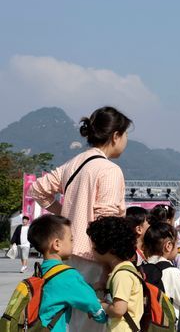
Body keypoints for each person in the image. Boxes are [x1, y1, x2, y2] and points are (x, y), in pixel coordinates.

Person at [30, 106, 131, 332]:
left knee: (72, 323)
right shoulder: (109, 170)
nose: (125, 141)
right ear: (115, 135)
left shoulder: (73, 163)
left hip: (68, 256)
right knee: (92, 324)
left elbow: (38, 189)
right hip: (94, 258)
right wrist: (109, 267)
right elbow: (108, 224)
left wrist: (65, 216)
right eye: (125, 135)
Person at [27, 214, 107, 331]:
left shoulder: (41, 271)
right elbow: (93, 305)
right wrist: (103, 315)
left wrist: (93, 286)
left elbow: (60, 291)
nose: (72, 243)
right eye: (71, 239)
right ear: (57, 244)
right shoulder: (67, 275)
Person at [87, 216, 143, 332]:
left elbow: (118, 310)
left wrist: (98, 305)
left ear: (107, 248)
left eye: (93, 246)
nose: (92, 250)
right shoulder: (126, 269)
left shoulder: (121, 275)